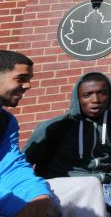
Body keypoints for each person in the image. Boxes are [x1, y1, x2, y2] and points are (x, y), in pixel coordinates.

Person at [24, 72, 111, 217]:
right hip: (72, 190)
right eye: (87, 95)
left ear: (110, 95)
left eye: (102, 93)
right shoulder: (56, 126)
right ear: (77, 98)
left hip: (107, 188)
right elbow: (22, 164)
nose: (96, 100)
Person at [0, 50, 55, 217]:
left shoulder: (6, 121)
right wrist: (13, 205)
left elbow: (9, 165)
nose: (28, 86)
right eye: (21, 78)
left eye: (29, 79)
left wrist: (37, 195)